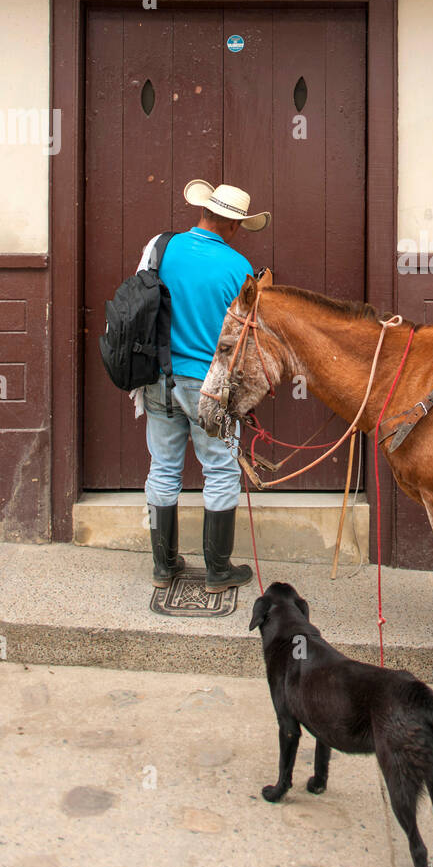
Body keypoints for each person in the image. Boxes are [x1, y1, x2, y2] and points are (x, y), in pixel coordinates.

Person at [133, 179, 271, 592]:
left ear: (204, 212)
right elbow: (249, 334)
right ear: (232, 225)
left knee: (163, 467)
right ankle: (217, 571)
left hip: (158, 377)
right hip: (210, 387)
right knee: (221, 470)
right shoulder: (238, 268)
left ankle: (164, 567)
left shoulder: (163, 247)